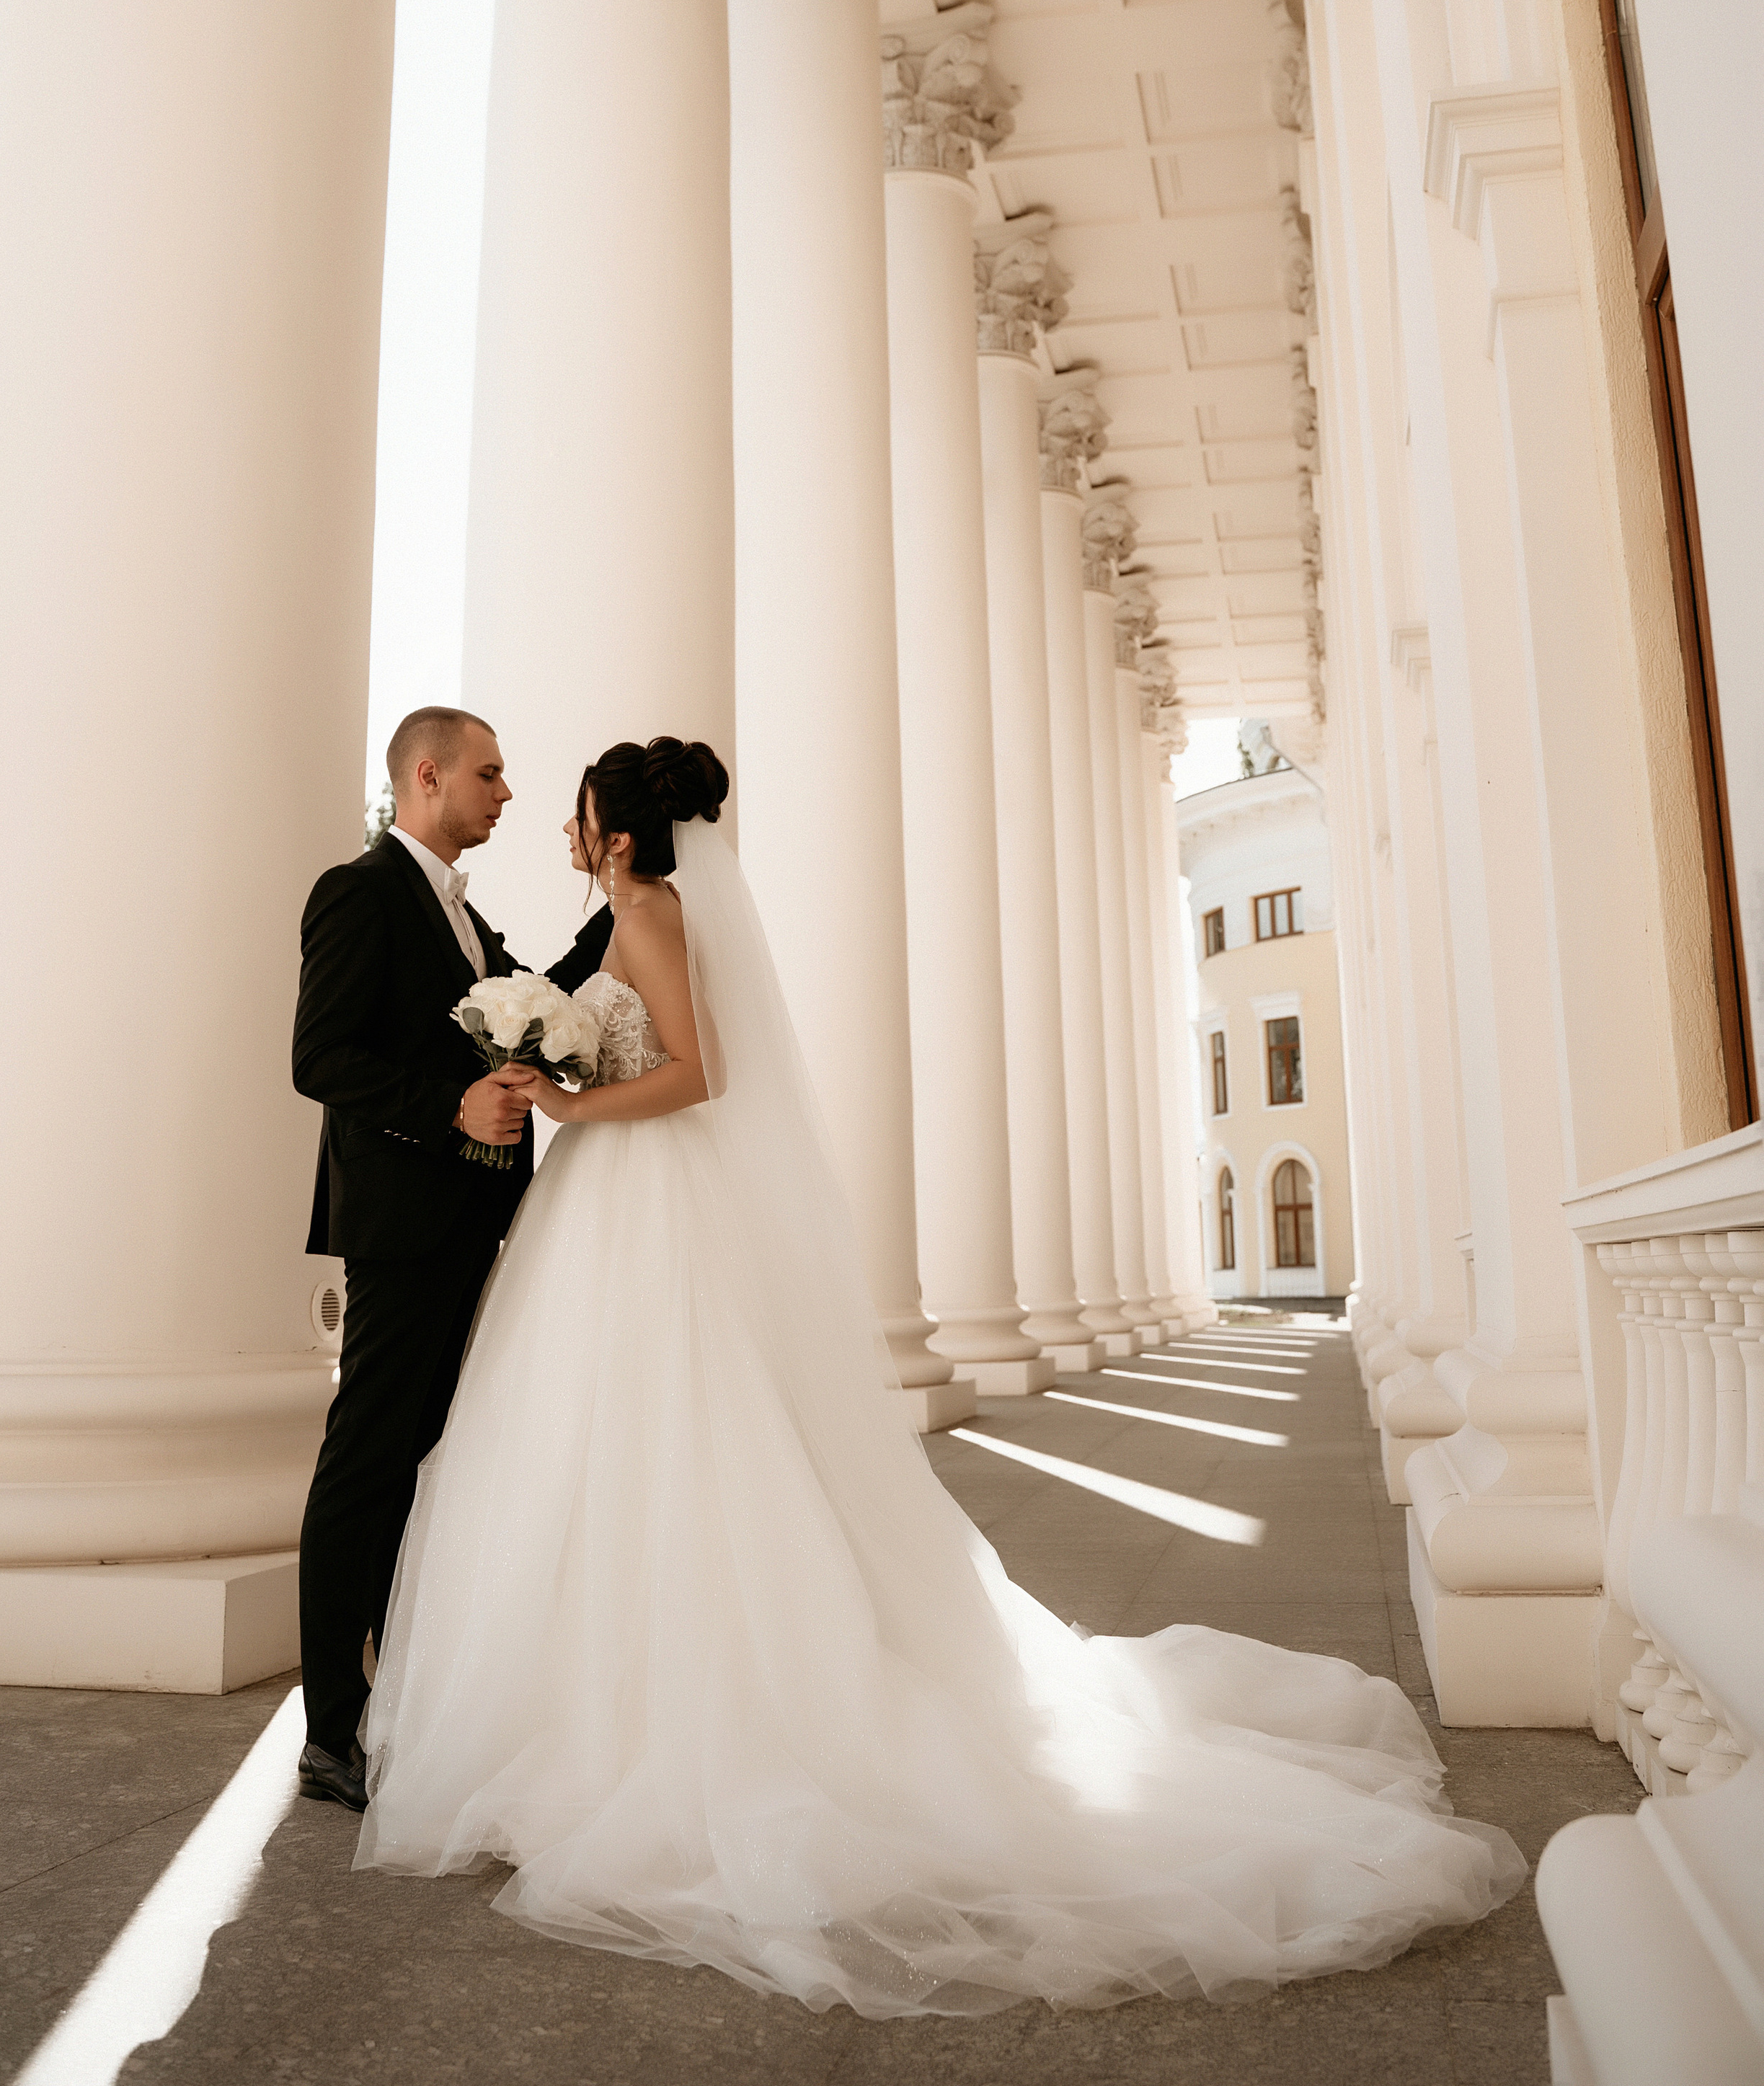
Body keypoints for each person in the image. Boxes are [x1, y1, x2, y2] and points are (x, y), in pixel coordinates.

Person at [353, 736, 1525, 2018]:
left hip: (640, 1197)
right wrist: (565, 1060)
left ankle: (645, 1721)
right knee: (602, 1447)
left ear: (621, 833)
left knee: (662, 1436)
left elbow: (699, 1075)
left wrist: (575, 1104)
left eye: (579, 814)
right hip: (615, 1208)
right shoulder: (628, 914)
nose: (563, 831)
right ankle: (576, 1712)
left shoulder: (650, 913)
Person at [291, 705, 613, 1812]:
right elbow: (320, 1055)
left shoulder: (466, 921)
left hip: (472, 1222)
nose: (507, 793)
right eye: (491, 773)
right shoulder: (359, 893)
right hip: (401, 1224)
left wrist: (632, 902)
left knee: (424, 1459)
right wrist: (450, 1106)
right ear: (426, 777)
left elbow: (545, 998)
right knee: (367, 1460)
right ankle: (331, 1728)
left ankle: (396, 1705)